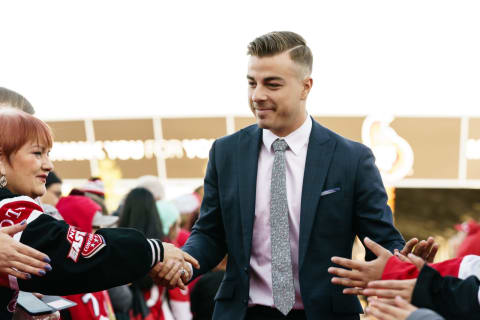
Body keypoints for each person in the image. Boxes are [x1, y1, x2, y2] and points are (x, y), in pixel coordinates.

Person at [152, 31, 419, 319]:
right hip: (243, 312)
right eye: (252, 83)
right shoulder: (225, 153)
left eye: (272, 84)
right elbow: (210, 233)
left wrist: (405, 265)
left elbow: (380, 241)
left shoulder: (352, 159)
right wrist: (185, 263)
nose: (258, 96)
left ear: (306, 87)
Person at [0, 108, 198, 319]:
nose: (49, 165)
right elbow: (70, 250)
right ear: (1, 160)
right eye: (37, 153)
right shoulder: (8, 207)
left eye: (48, 154)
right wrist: (152, 251)